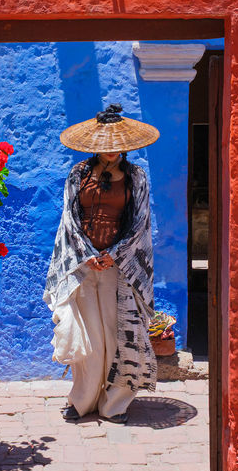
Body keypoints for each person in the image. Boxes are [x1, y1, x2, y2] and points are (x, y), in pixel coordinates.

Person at [43, 103, 159, 424]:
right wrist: (87, 253)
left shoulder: (136, 178)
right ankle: (82, 401)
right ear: (96, 146)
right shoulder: (78, 175)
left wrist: (114, 254)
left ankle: (114, 404)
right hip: (83, 265)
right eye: (106, 146)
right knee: (88, 337)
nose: (112, 151)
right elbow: (69, 218)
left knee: (116, 334)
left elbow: (140, 223)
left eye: (117, 146)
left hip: (119, 269)